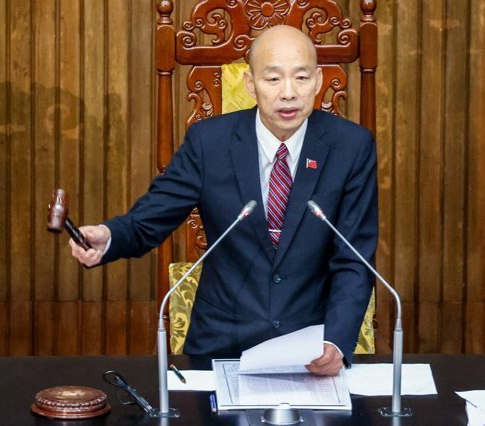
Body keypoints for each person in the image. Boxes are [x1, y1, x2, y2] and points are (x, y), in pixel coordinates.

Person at [69, 25, 377, 376]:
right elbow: (151, 218)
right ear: (250, 84)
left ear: (318, 80)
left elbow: (354, 257)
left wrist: (335, 340)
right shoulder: (209, 142)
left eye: (301, 78)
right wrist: (110, 237)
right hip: (220, 345)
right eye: (273, 79)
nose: (289, 93)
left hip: (308, 347)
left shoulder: (351, 147)